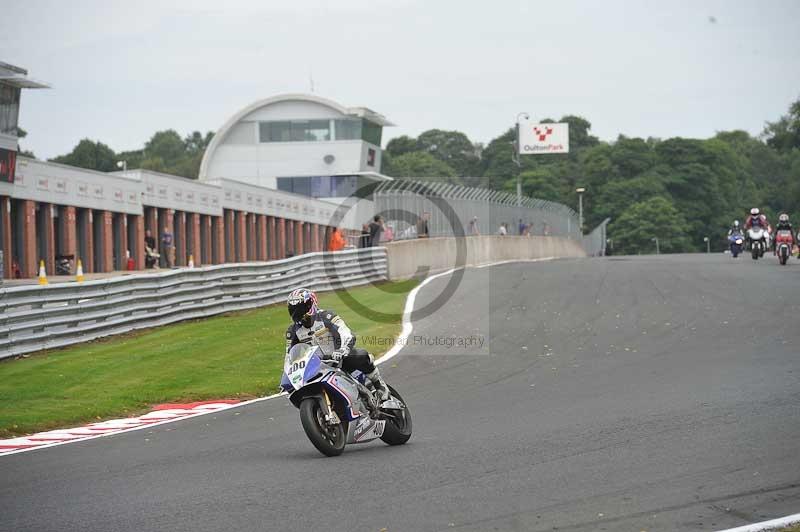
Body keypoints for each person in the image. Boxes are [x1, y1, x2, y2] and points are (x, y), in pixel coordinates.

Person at [285, 288, 389, 400]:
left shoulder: (327, 316)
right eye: (294, 310)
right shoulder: (293, 331)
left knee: (360, 355)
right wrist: (288, 376)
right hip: (317, 366)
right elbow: (289, 356)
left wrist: (343, 349)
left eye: (301, 309)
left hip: (339, 359)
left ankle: (379, 385)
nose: (298, 313)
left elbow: (345, 332)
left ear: (311, 304)